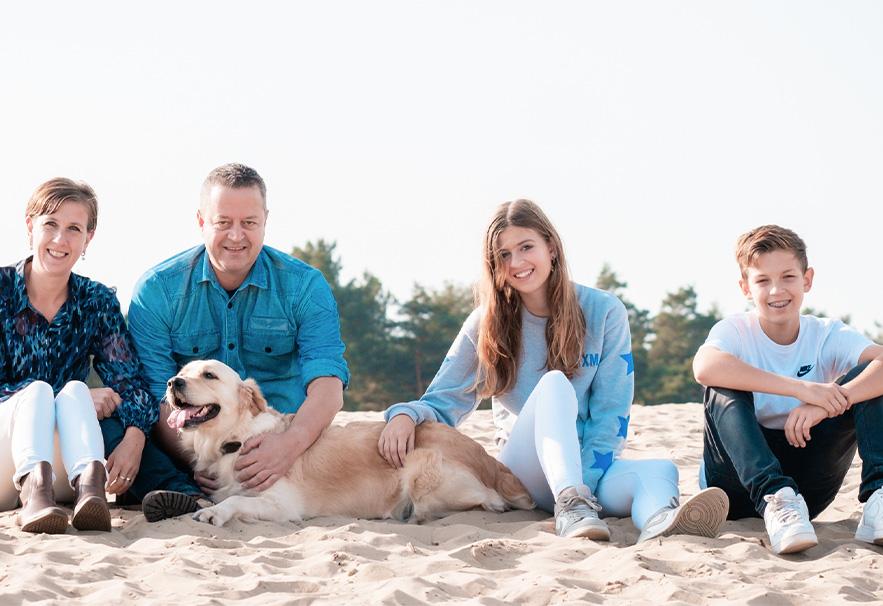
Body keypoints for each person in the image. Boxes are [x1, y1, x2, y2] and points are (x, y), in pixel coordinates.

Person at [378, 200, 728, 542]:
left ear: (551, 246)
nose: (516, 262)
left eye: (526, 247)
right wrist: (406, 415)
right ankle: (571, 503)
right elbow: (443, 402)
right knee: (555, 385)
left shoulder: (604, 311)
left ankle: (660, 523)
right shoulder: (487, 322)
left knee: (659, 470)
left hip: (584, 471)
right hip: (524, 474)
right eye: (503, 255)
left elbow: (611, 413)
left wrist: (585, 480)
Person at [128, 163, 349, 520]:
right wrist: (203, 462)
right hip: (194, 449)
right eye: (223, 222)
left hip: (288, 445)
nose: (236, 235)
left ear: (265, 221)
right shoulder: (157, 291)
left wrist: (288, 445)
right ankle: (185, 490)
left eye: (249, 222)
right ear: (201, 222)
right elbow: (157, 395)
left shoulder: (305, 286)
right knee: (136, 448)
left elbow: (328, 384)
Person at [693, 225, 883, 554]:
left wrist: (829, 402)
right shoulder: (735, 331)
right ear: (745, 288)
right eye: (763, 280)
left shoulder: (826, 333)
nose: (777, 290)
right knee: (720, 384)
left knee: (870, 377)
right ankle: (777, 497)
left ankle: (879, 498)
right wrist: (803, 389)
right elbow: (704, 367)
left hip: (809, 488)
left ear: (807, 279)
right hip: (735, 487)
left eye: (788, 277)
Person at [0, 178, 160, 533]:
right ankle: (32, 491)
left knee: (74, 392)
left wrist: (135, 438)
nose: (60, 240)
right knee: (46, 391)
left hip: (60, 472)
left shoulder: (96, 301)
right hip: (3, 459)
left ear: (89, 238)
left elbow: (131, 382)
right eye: (50, 225)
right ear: (30, 226)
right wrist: (55, 394)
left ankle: (91, 492)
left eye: (74, 228)